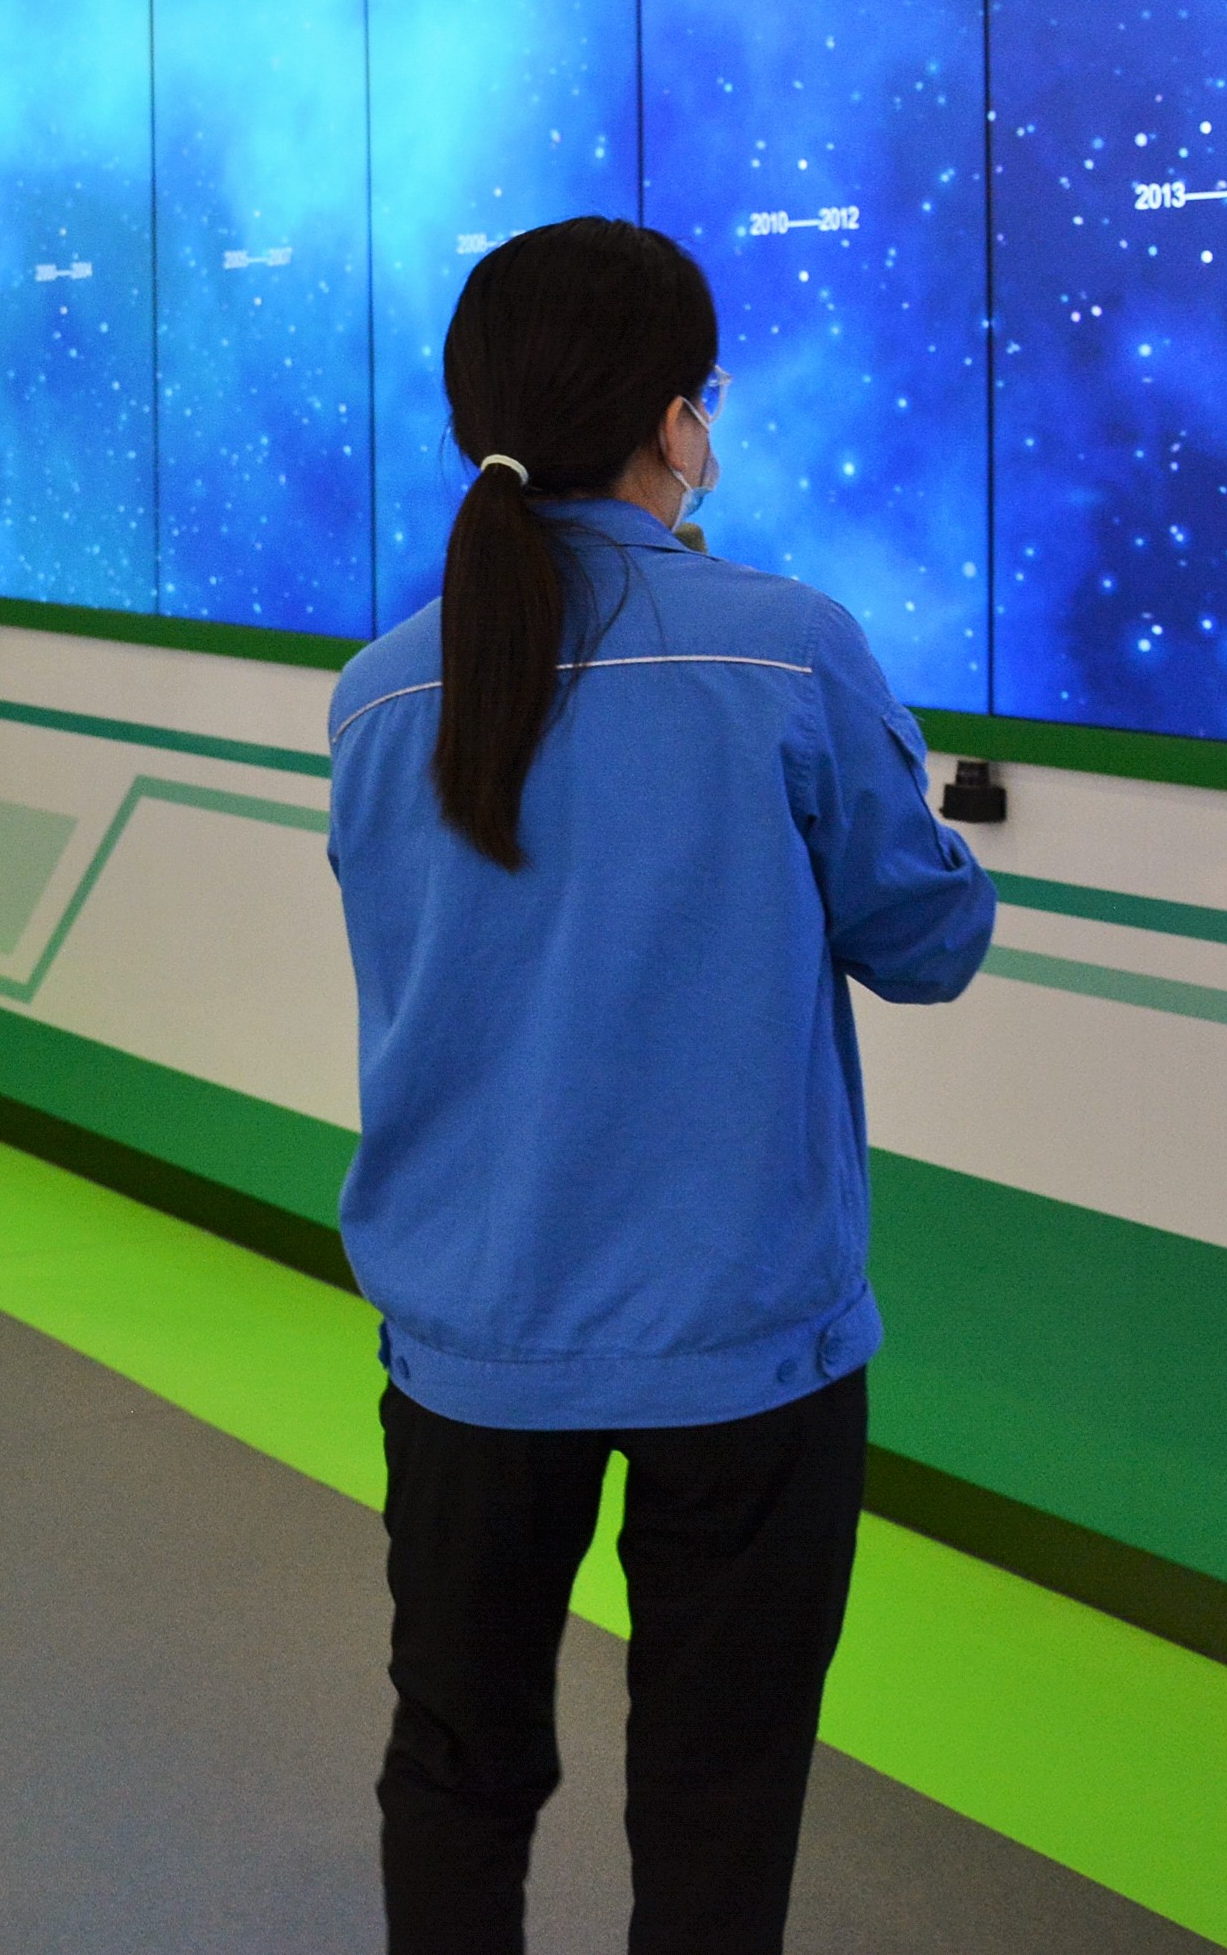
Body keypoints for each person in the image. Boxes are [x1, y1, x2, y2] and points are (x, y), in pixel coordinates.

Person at [327, 218, 989, 1955]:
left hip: (470, 1339)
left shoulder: (379, 696)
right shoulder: (788, 649)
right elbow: (926, 943)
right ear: (677, 423)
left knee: (456, 1769)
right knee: (719, 1796)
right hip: (746, 1346)